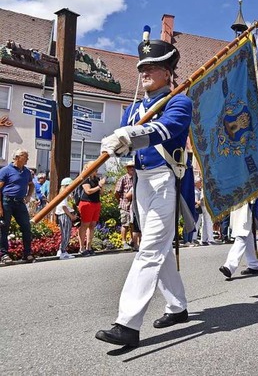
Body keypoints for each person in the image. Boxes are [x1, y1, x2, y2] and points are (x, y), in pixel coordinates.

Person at [96, 33, 197, 348]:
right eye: (142, 67)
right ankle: (177, 307)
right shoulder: (133, 109)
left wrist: (129, 133)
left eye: (151, 67)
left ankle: (127, 323)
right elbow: (128, 150)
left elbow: (165, 130)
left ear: (167, 72)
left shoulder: (180, 101)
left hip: (166, 181)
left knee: (150, 249)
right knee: (161, 250)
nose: (144, 73)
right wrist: (115, 144)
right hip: (141, 182)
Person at [0, 149, 36, 264]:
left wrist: (28, 196)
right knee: (4, 228)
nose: (27, 159)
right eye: (25, 156)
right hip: (7, 201)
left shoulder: (26, 172)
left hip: (20, 202)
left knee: (26, 226)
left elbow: (31, 185)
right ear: (17, 157)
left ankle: (27, 253)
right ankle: (4, 254)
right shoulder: (5, 170)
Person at [219, 202, 258, 279]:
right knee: (248, 236)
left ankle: (229, 266)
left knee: (242, 235)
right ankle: (254, 264)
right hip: (238, 207)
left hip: (246, 208)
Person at [77, 163, 106, 256]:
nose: (96, 170)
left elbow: (101, 193)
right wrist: (99, 186)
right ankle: (81, 248)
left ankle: (89, 247)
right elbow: (88, 191)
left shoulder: (97, 179)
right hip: (86, 203)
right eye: (95, 168)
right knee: (85, 225)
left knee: (92, 225)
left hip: (96, 203)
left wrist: (102, 185)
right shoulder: (85, 178)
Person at [55, 177, 77, 260]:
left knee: (66, 233)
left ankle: (62, 251)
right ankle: (63, 251)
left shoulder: (66, 194)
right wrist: (71, 216)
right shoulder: (65, 194)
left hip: (64, 214)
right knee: (66, 233)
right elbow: (64, 206)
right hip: (64, 214)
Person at [115, 161, 135, 250]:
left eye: (133, 167)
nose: (132, 168)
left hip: (134, 206)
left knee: (133, 224)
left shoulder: (136, 178)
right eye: (130, 167)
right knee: (125, 224)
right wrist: (121, 200)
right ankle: (123, 242)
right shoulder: (123, 178)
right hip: (125, 205)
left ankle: (132, 240)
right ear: (127, 168)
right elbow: (117, 192)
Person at [194, 177, 214, 245]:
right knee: (208, 222)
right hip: (206, 205)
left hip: (203, 205)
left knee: (204, 222)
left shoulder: (203, 188)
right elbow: (203, 198)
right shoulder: (206, 188)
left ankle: (204, 239)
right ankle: (210, 239)